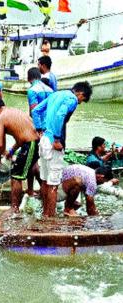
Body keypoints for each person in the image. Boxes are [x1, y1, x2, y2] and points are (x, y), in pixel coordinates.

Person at [32, 81, 93, 216]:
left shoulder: (56, 94)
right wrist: (57, 139)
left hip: (44, 140)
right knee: (53, 184)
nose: (80, 102)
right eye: (82, 100)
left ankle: (45, 214)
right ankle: (51, 219)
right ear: (80, 93)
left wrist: (39, 128)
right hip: (53, 143)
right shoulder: (72, 99)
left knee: (45, 181)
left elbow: (36, 110)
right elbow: (60, 115)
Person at [0, 96, 39, 213]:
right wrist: (11, 151)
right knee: (31, 167)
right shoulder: (13, 111)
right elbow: (21, 135)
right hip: (34, 141)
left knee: (16, 176)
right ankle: (31, 192)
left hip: (30, 143)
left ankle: (14, 207)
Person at [26, 67, 52, 196]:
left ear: (29, 78)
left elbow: (34, 110)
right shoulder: (50, 90)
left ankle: (30, 190)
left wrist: (37, 129)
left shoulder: (32, 90)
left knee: (31, 160)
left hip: (38, 129)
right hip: (50, 129)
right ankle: (45, 188)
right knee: (45, 161)